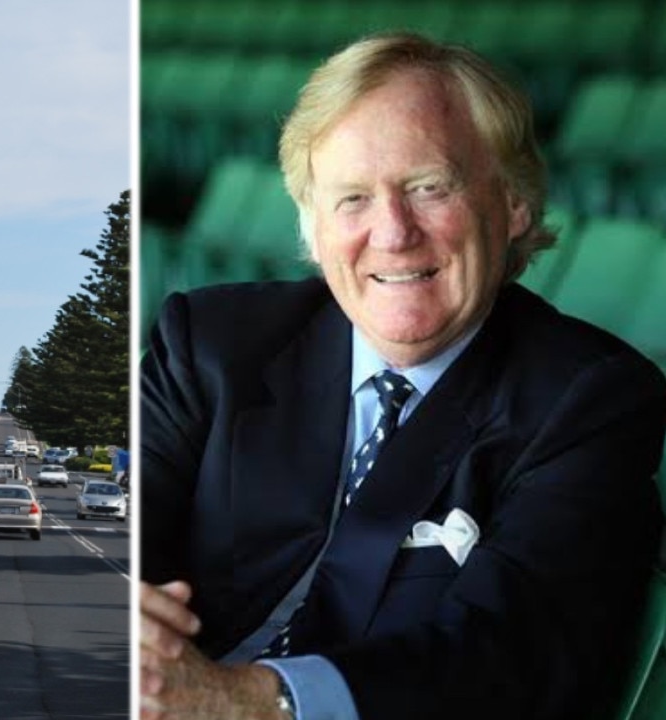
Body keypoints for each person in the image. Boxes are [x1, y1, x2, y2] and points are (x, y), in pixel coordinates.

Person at [139, 32, 666, 720]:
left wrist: (250, 701)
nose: (392, 233)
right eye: (352, 198)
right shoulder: (207, 344)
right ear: (312, 225)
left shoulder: (591, 401)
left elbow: (508, 656)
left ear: (513, 204)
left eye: (428, 187)